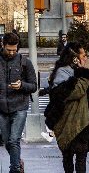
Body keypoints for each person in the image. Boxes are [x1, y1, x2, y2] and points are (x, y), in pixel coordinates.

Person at [47, 42, 89, 173]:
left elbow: (84, 98)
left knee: (81, 157)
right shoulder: (63, 72)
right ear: (75, 57)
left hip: (82, 122)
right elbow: (72, 93)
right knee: (68, 157)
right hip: (67, 122)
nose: (86, 58)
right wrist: (83, 74)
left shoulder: (78, 72)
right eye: (83, 55)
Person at [1, 32, 38, 173]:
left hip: (19, 107)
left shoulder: (24, 62)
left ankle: (15, 168)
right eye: (8, 49)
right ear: (3, 45)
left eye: (14, 50)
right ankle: (18, 161)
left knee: (14, 140)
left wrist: (22, 85)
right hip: (2, 107)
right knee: (6, 140)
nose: (11, 53)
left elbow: (34, 86)